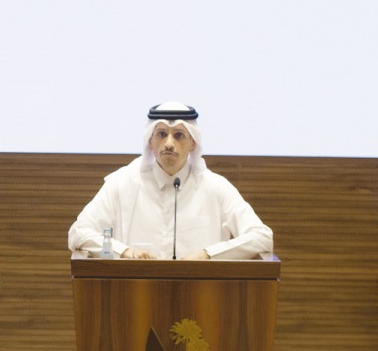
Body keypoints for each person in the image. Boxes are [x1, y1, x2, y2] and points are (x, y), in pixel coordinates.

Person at [68, 102, 272, 260]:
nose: (169, 143)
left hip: (202, 299)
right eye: (162, 134)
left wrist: (208, 254)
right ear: (150, 140)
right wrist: (125, 252)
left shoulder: (215, 187)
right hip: (135, 297)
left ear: (193, 143)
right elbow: (78, 232)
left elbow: (262, 237)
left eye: (179, 135)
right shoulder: (122, 183)